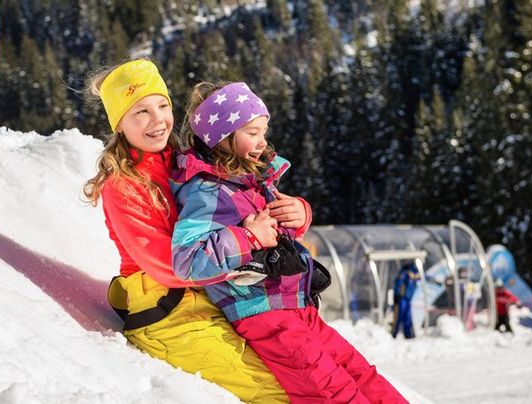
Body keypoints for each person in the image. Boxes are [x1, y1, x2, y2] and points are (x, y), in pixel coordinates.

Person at [170, 81, 405, 403]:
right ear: (222, 138)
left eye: (263, 131)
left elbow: (275, 236)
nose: (262, 141)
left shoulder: (250, 182)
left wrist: (299, 214)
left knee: (361, 375)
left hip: (296, 305)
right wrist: (249, 236)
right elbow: (187, 261)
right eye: (252, 132)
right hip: (264, 314)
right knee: (331, 392)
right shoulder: (206, 192)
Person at [84, 60, 290, 403]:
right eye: (141, 112)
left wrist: (296, 214)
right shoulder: (123, 185)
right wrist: (248, 238)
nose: (158, 120)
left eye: (162, 105)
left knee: (299, 371)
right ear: (119, 124)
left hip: (215, 293)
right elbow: (168, 264)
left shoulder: (184, 162)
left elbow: (245, 201)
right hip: (167, 312)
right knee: (274, 390)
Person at [391, 263, 420, 339]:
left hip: (408, 300)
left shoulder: (414, 276)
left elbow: (422, 277)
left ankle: (408, 335)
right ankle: (393, 334)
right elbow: (398, 284)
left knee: (408, 317)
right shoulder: (403, 275)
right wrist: (397, 296)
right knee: (398, 317)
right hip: (401, 299)